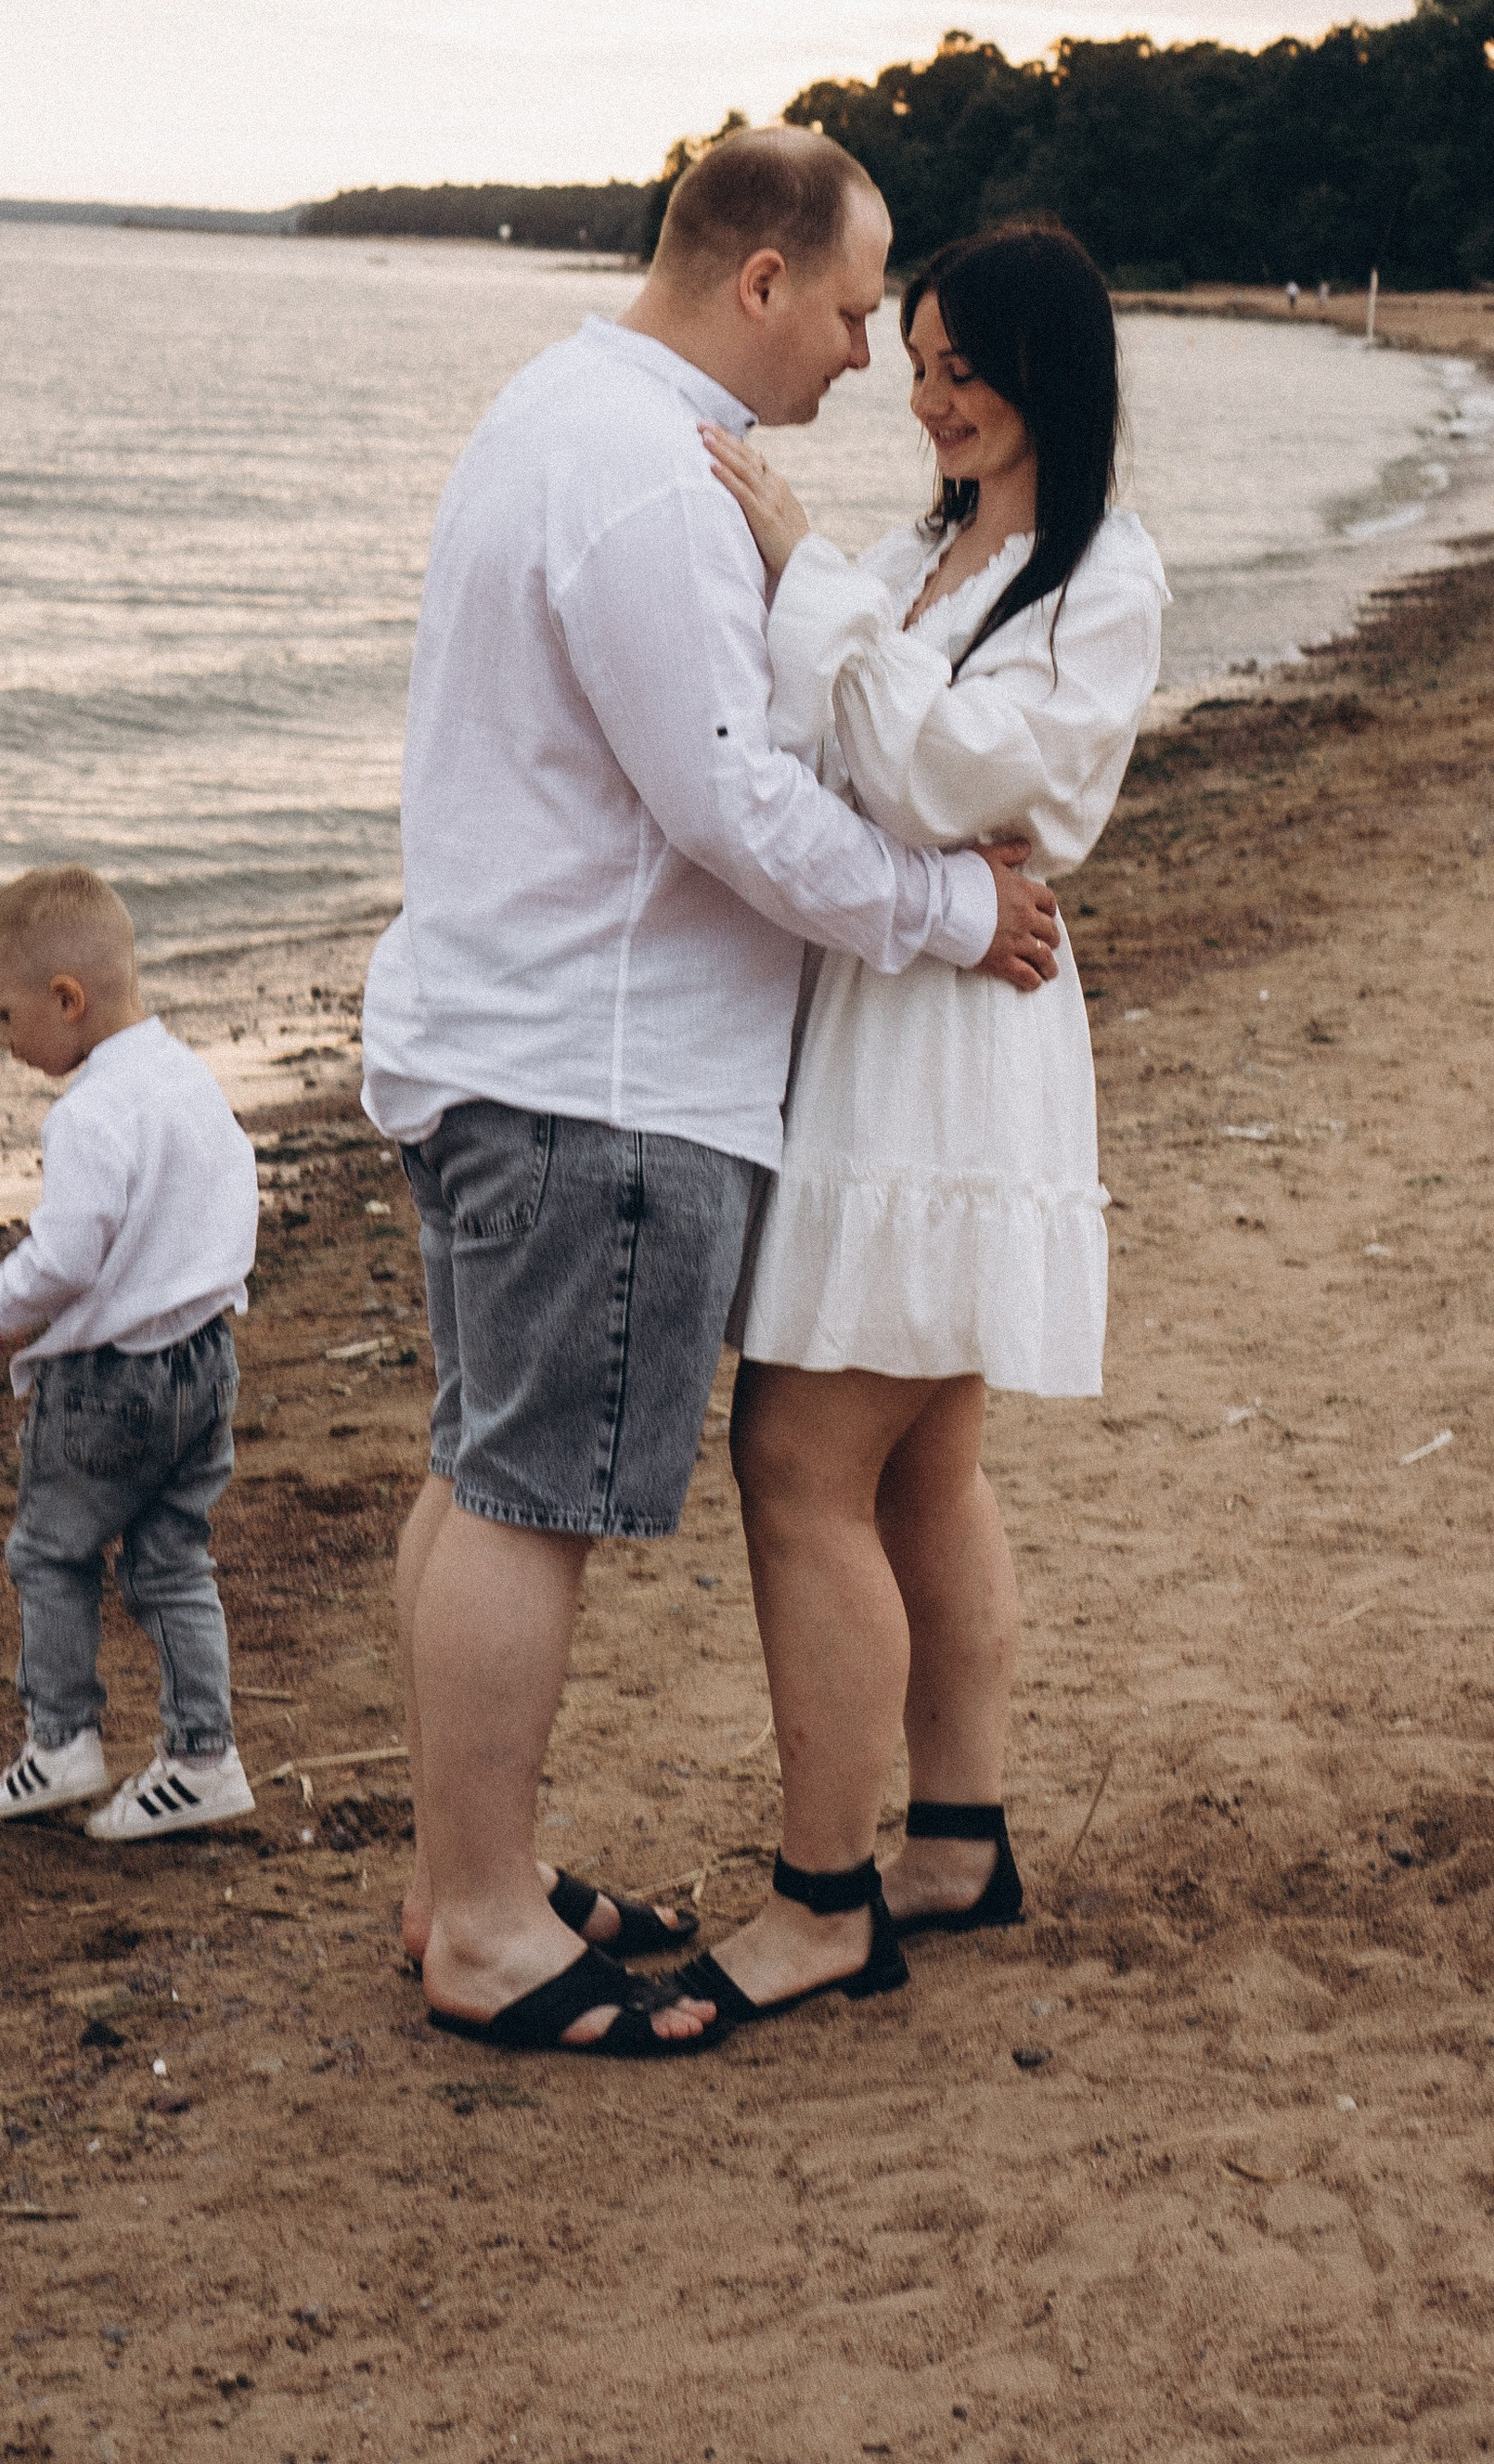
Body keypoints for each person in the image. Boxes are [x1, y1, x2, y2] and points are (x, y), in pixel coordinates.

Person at [365, 127, 1064, 2055]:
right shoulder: (646, 476)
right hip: (600, 1067)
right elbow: (730, 802)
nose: (861, 361)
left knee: (477, 1472)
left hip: (501, 1034)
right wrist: (947, 906)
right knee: (527, 1502)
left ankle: (456, 1877)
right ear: (760, 280)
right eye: (850, 312)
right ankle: (491, 1924)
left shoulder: (554, 413)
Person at [668, 220, 1167, 2042]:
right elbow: (827, 761)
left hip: (958, 1033)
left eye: (961, 364)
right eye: (922, 356)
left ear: (1048, 373)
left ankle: (824, 1899)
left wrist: (809, 573)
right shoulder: (916, 551)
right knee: (917, 1469)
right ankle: (951, 1843)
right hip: (893, 994)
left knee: (797, 1457)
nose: (926, 392)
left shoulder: (1099, 575)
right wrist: (856, 650)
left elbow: (957, 776)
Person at [0, 866, 259, 1841]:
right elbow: (229, 1204)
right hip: (205, 1361)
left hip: (110, 1384)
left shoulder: (89, 1112)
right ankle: (202, 1757)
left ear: (65, 1000)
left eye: (4, 1017)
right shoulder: (187, 1078)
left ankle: (62, 1741)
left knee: (51, 1554)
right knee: (174, 1564)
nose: (2, 1042)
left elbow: (67, 1253)